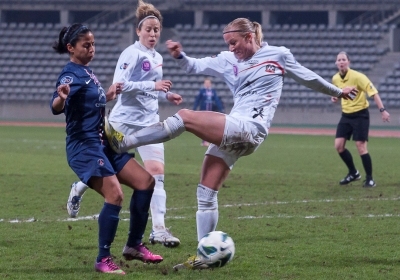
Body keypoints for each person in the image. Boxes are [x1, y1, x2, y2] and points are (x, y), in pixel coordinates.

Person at [104, 18, 358, 269]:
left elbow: (307, 77)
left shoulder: (278, 55)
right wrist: (180, 56)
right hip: (237, 131)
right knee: (205, 192)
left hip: (251, 128)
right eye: (228, 43)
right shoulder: (228, 59)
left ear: (249, 37)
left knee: (184, 117)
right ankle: (205, 255)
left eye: (234, 42)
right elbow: (195, 66)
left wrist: (338, 92)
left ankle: (123, 142)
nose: (231, 48)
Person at [66, 0, 183, 248]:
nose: (153, 34)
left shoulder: (157, 57)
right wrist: (153, 86)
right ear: (138, 31)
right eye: (148, 29)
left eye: (156, 30)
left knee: (157, 175)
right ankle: (79, 187)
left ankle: (159, 230)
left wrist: (166, 95)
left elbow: (152, 89)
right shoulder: (131, 53)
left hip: (149, 123)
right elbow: (118, 86)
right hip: (122, 124)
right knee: (105, 170)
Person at [51, 23, 163, 275]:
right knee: (115, 196)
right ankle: (103, 258)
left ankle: (134, 245)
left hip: (103, 143)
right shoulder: (70, 74)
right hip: (85, 147)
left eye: (93, 44)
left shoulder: (87, 71)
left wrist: (109, 95)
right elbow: (56, 105)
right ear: (71, 48)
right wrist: (62, 97)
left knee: (146, 182)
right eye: (86, 45)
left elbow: (93, 102)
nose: (92, 49)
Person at [331, 51, 390, 188]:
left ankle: (370, 179)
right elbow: (338, 93)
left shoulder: (358, 77)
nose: (341, 62)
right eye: (339, 60)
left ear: (348, 62)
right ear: (336, 63)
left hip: (360, 115)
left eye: (343, 59)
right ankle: (353, 173)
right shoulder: (335, 79)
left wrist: (383, 110)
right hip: (346, 115)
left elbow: (374, 93)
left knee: (361, 147)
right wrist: (335, 97)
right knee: (339, 146)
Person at [193, 77, 225, 146]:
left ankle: (208, 140)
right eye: (206, 83)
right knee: (204, 126)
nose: (207, 84)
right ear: (204, 84)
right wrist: (194, 109)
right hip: (203, 112)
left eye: (208, 83)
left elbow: (217, 100)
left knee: (210, 126)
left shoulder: (213, 91)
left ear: (210, 84)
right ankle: (204, 141)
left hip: (211, 112)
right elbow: (197, 100)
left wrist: (221, 109)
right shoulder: (202, 91)